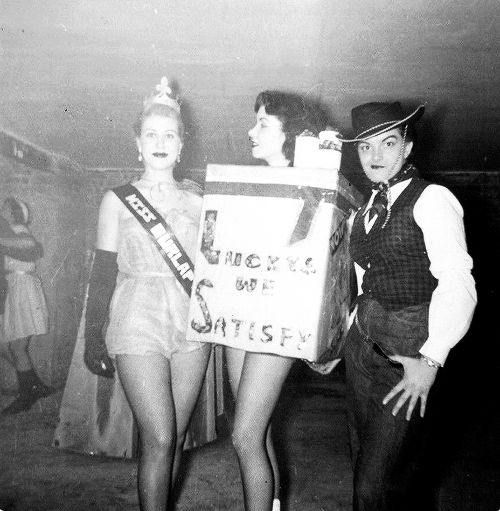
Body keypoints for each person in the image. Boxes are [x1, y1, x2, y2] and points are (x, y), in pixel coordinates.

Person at [339, 101, 477, 510]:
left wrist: (432, 360)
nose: (375, 156)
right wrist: (343, 337)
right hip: (361, 351)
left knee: (376, 485)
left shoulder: (432, 199)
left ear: (408, 146)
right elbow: (365, 281)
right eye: (365, 147)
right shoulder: (363, 210)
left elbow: (459, 281)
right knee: (363, 467)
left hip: (407, 359)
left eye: (387, 143)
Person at [83, 78, 211, 510]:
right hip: (137, 316)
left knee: (175, 436)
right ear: (137, 143)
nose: (160, 142)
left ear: (181, 144)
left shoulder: (200, 202)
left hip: (190, 322)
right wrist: (91, 337)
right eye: (151, 134)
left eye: (169, 135)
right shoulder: (116, 201)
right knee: (157, 436)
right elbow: (101, 273)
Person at [226, 90, 331, 511]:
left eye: (264, 124)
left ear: (292, 135)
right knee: (257, 431)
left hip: (277, 319)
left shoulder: (312, 187)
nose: (252, 131)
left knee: (244, 435)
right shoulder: (250, 184)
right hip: (239, 314)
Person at [0, 198, 52, 415]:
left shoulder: (18, 231)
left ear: (13, 213)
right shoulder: (12, 232)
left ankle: (27, 394)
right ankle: (35, 387)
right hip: (18, 287)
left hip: (22, 287)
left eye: (5, 208)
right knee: (15, 346)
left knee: (17, 347)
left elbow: (31, 248)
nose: (2, 211)